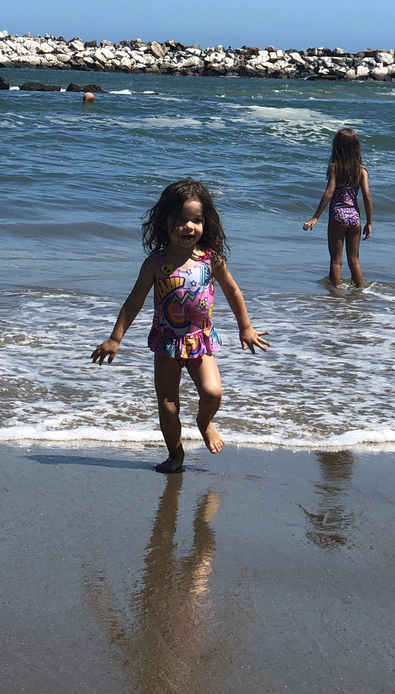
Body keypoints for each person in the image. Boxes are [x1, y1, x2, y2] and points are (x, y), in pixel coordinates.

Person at [91, 179, 269, 474]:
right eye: (181, 220)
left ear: (205, 222)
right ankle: (175, 455)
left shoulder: (211, 260)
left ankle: (204, 421)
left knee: (213, 394)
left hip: (200, 340)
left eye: (196, 220)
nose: (189, 227)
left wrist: (245, 327)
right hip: (166, 343)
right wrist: (115, 338)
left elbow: (233, 292)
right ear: (166, 222)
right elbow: (134, 301)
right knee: (169, 407)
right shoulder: (155, 263)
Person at [302, 127, 372, 288]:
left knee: (336, 260)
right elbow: (367, 196)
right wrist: (369, 222)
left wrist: (316, 216)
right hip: (354, 218)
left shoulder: (335, 167)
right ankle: (359, 293)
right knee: (354, 260)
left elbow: (329, 192)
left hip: (338, 216)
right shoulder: (362, 170)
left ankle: (336, 297)